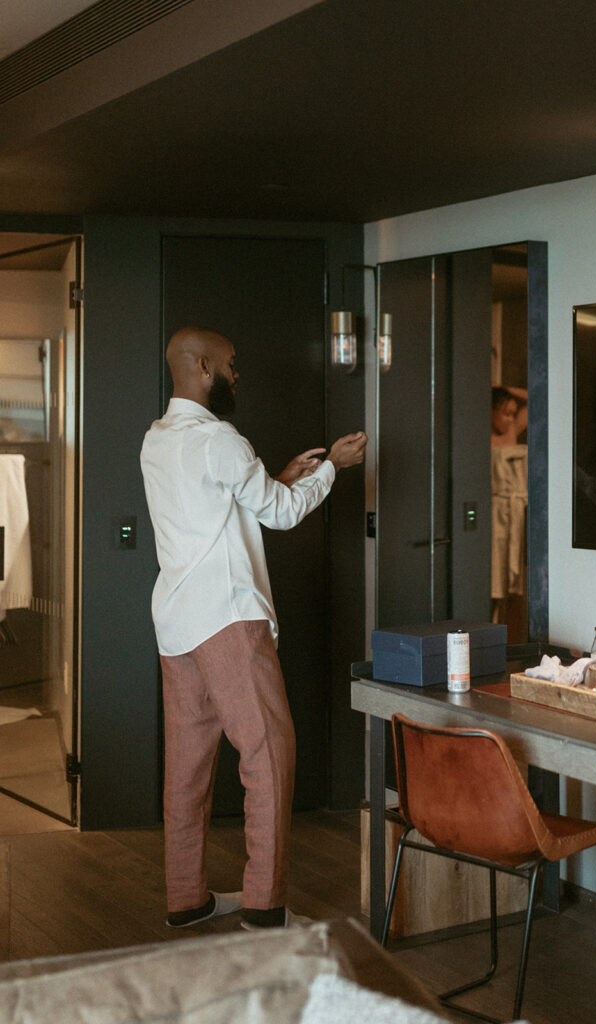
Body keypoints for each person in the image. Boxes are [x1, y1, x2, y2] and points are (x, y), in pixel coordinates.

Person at [140, 326, 367, 931]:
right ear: (205, 365)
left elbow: (231, 506)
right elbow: (281, 514)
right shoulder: (220, 438)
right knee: (269, 758)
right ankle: (265, 907)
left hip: (178, 625)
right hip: (230, 620)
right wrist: (332, 470)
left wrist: (282, 475)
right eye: (233, 364)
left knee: (186, 770)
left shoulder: (157, 439)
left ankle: (186, 898)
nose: (238, 375)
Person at [490, 387, 528, 632]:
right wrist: (493, 390)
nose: (511, 419)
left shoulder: (514, 430)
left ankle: (509, 634)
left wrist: (503, 389)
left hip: (518, 512)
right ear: (492, 411)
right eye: (505, 413)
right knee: (496, 576)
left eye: (514, 414)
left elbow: (534, 397)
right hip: (497, 512)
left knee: (516, 584)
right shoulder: (485, 436)